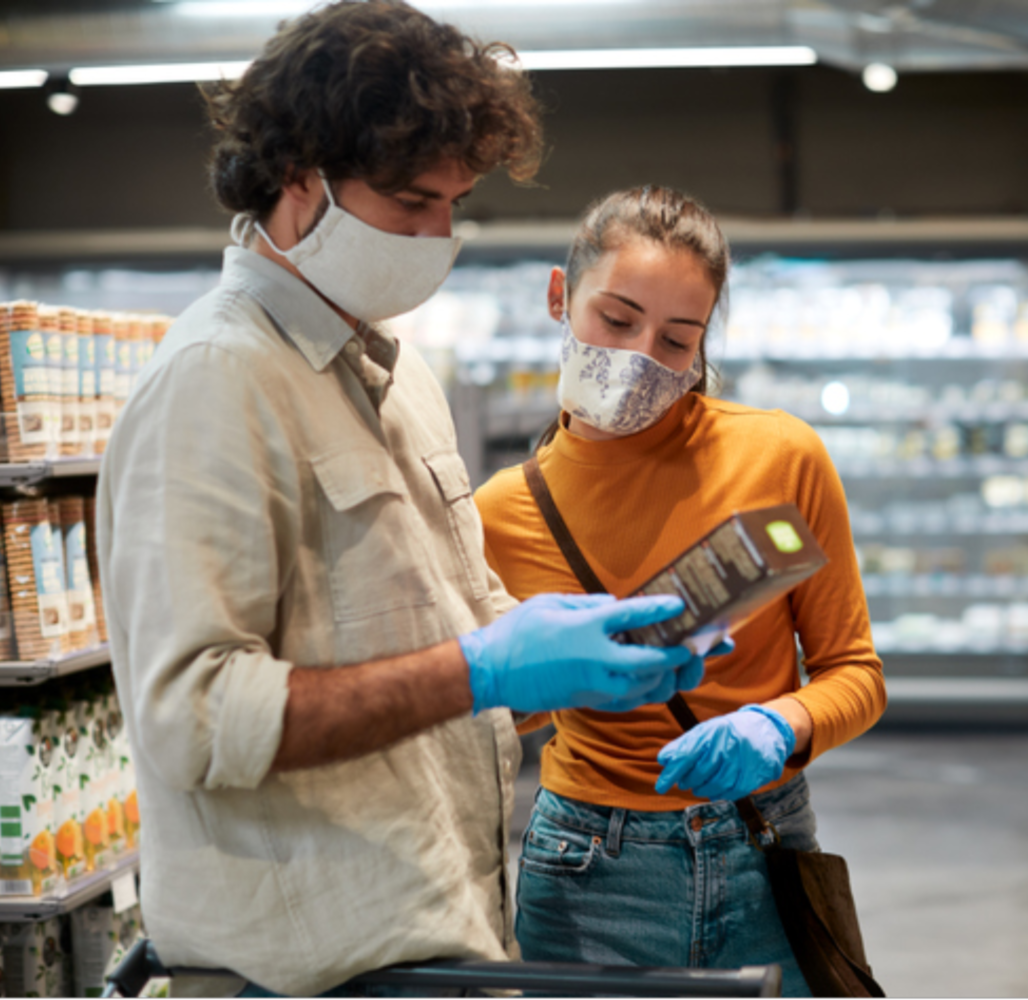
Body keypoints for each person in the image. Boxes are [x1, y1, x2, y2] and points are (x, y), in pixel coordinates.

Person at [96, 6, 708, 996]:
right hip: (305, 976)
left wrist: (575, 664)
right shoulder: (216, 378)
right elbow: (193, 716)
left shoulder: (397, 373)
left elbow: (439, 640)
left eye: (454, 205)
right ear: (297, 176)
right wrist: (479, 668)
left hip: (443, 938)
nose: (437, 237)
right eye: (411, 201)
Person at [474, 186, 888, 996]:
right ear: (560, 297)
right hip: (588, 870)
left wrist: (782, 723)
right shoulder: (500, 512)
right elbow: (498, 717)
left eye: (676, 339)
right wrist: (533, 681)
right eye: (616, 320)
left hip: (763, 842)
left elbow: (855, 672)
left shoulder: (780, 458)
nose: (640, 357)